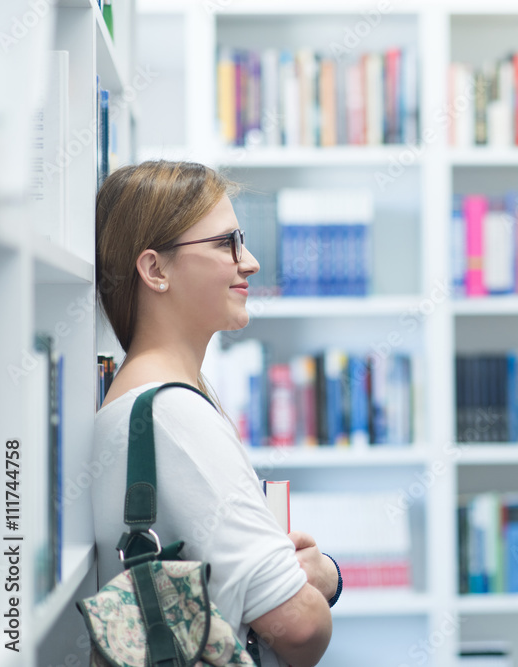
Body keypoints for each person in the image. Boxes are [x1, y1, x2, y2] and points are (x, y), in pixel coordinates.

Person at [92, 160, 338, 667]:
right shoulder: (174, 417)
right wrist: (326, 577)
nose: (249, 262)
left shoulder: (152, 397)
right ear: (155, 270)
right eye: (226, 243)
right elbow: (301, 626)